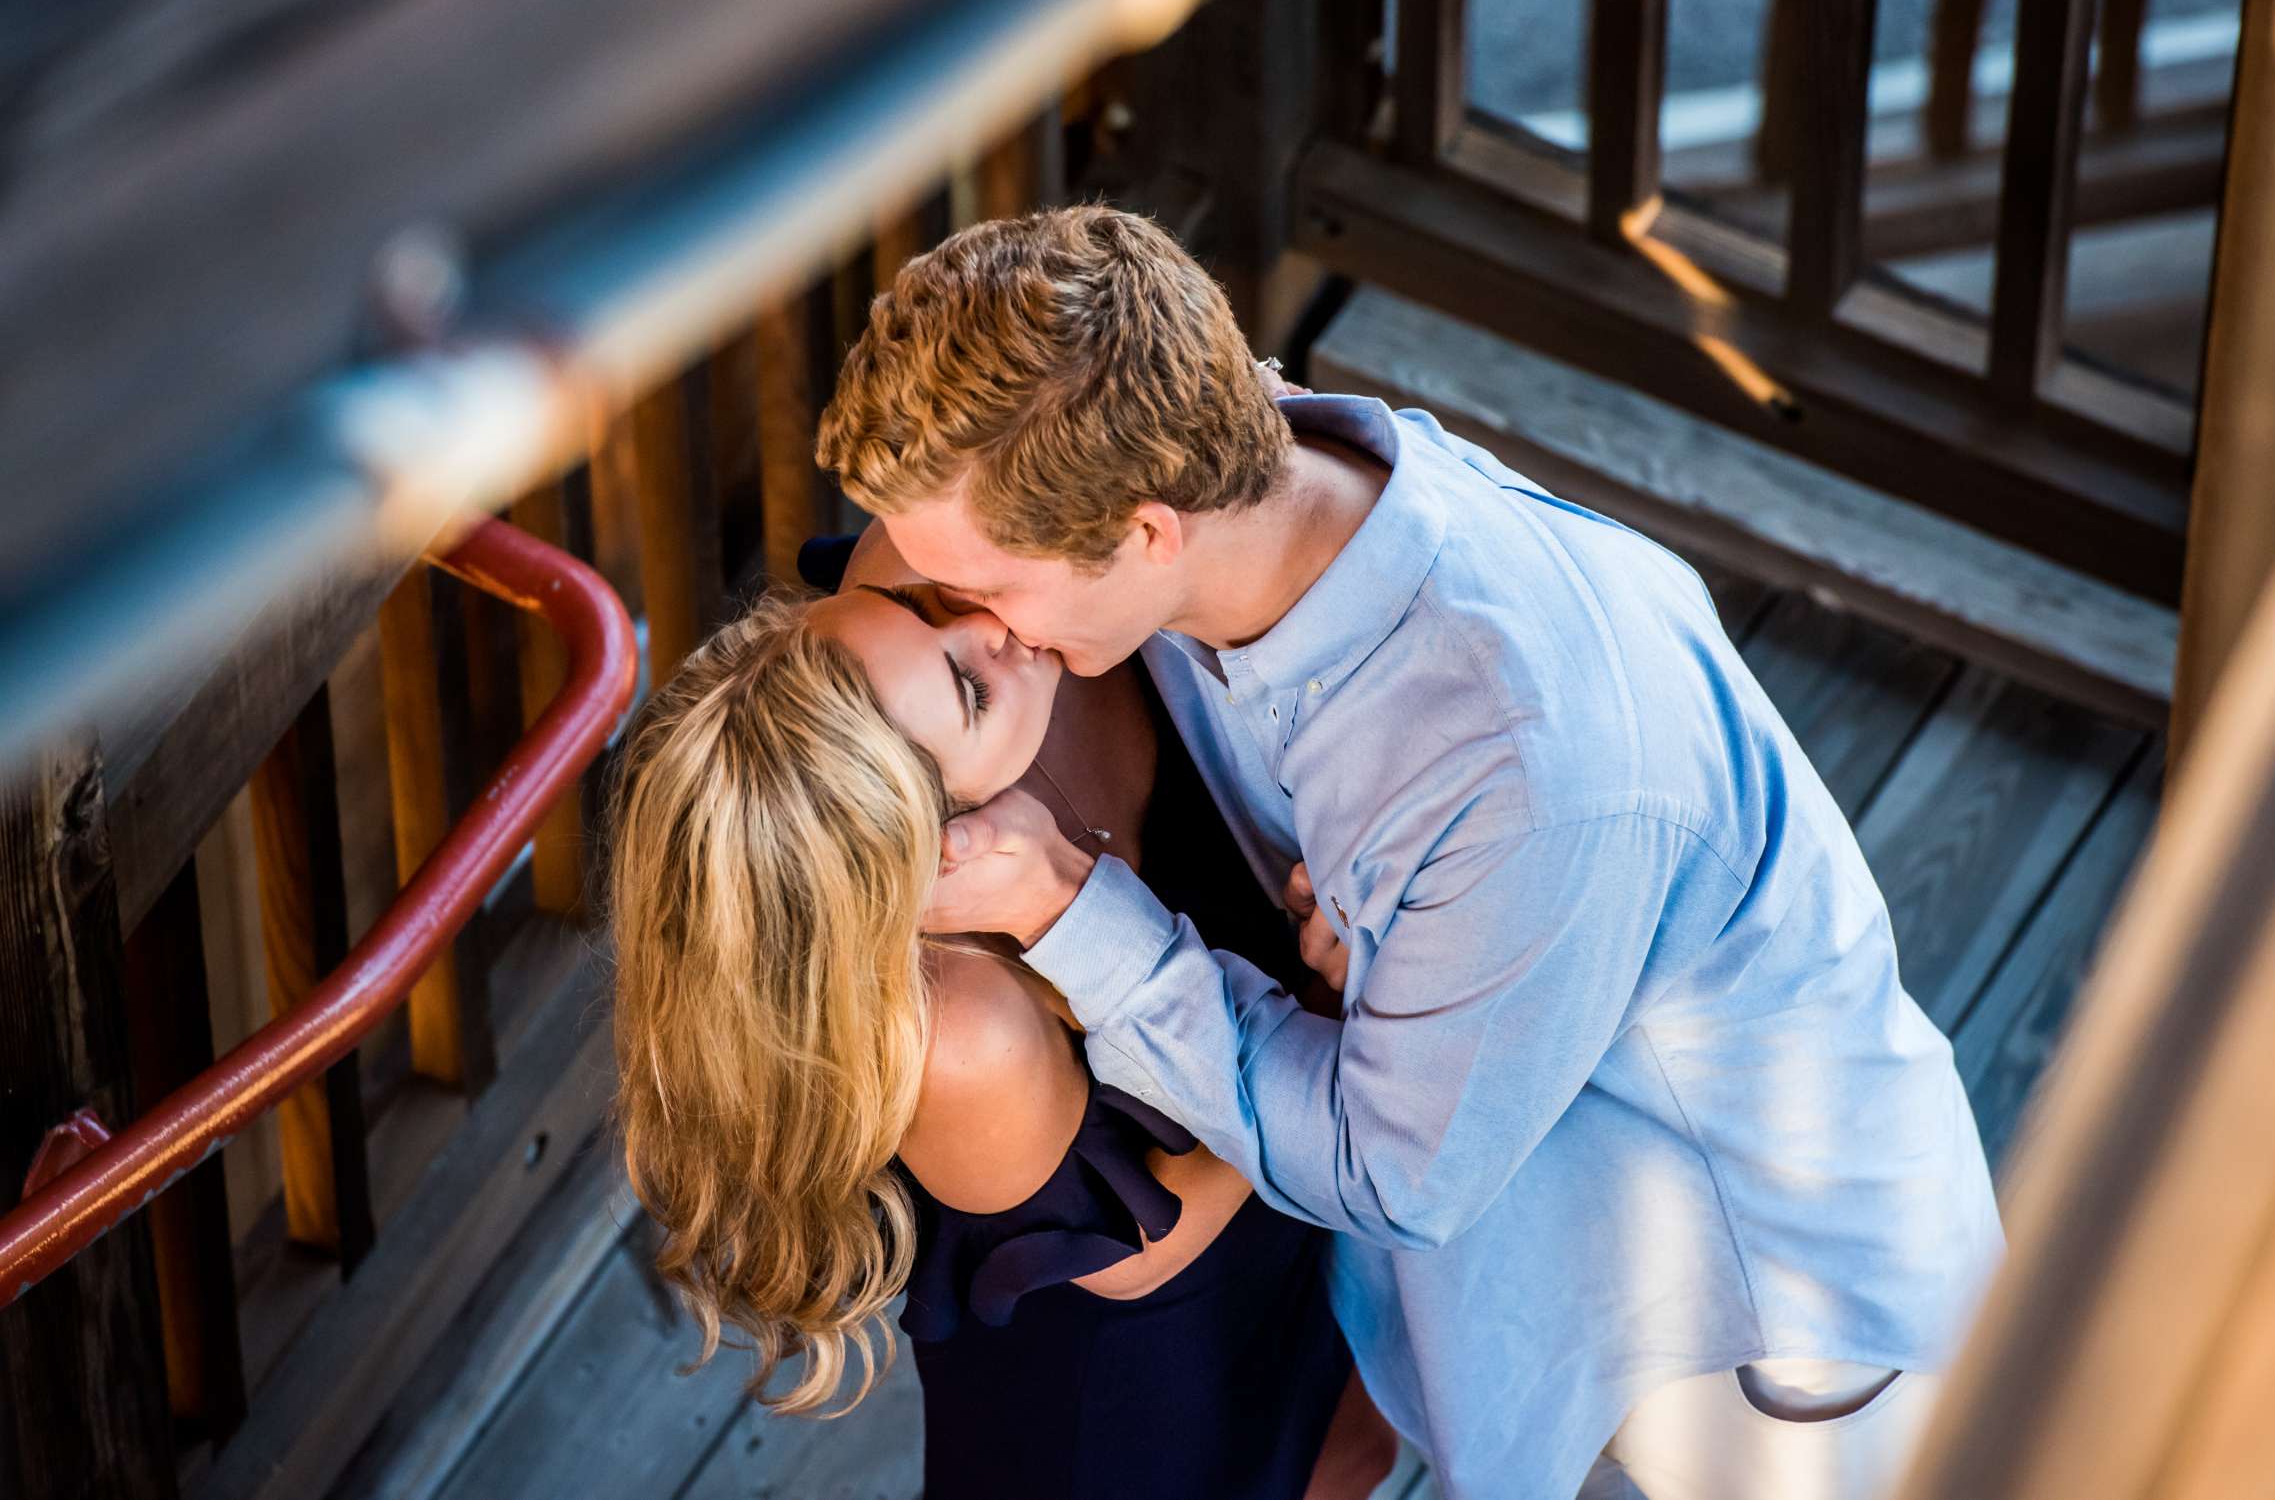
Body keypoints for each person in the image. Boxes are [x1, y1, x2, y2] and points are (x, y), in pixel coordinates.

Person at [810, 204, 2008, 1500]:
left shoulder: (1525, 759)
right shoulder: (1241, 492)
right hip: (1540, 1274)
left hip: (1747, 1367)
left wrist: (1067, 901)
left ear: (1144, 535)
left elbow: (1388, 1174)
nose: (973, 629)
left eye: (974, 590)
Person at [603, 524, 1396, 1500]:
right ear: (933, 849)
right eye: (969, 692)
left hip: (1303, 1179)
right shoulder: (958, 1033)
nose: (991, 627)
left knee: (1357, 1444)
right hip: (1150, 1350)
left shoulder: (923, 581)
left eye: (912, 611)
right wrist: (1328, 1005)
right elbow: (1150, 1254)